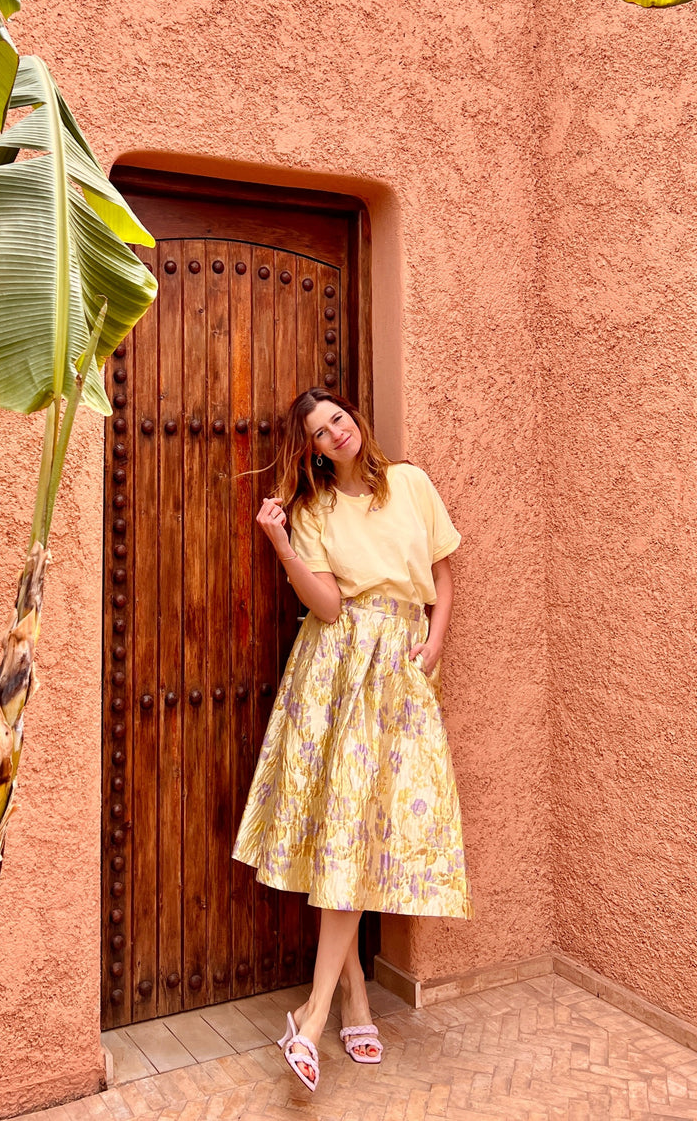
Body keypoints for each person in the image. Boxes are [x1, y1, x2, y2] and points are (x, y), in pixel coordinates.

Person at [232, 388, 471, 1092]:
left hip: (402, 666)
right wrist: (281, 542)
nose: (333, 432)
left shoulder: (412, 483)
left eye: (337, 418)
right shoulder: (313, 512)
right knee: (345, 829)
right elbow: (330, 605)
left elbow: (441, 573)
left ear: (355, 420)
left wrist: (435, 643)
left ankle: (331, 1004)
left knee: (365, 827)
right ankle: (329, 1011)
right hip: (338, 666)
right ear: (310, 449)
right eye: (318, 431)